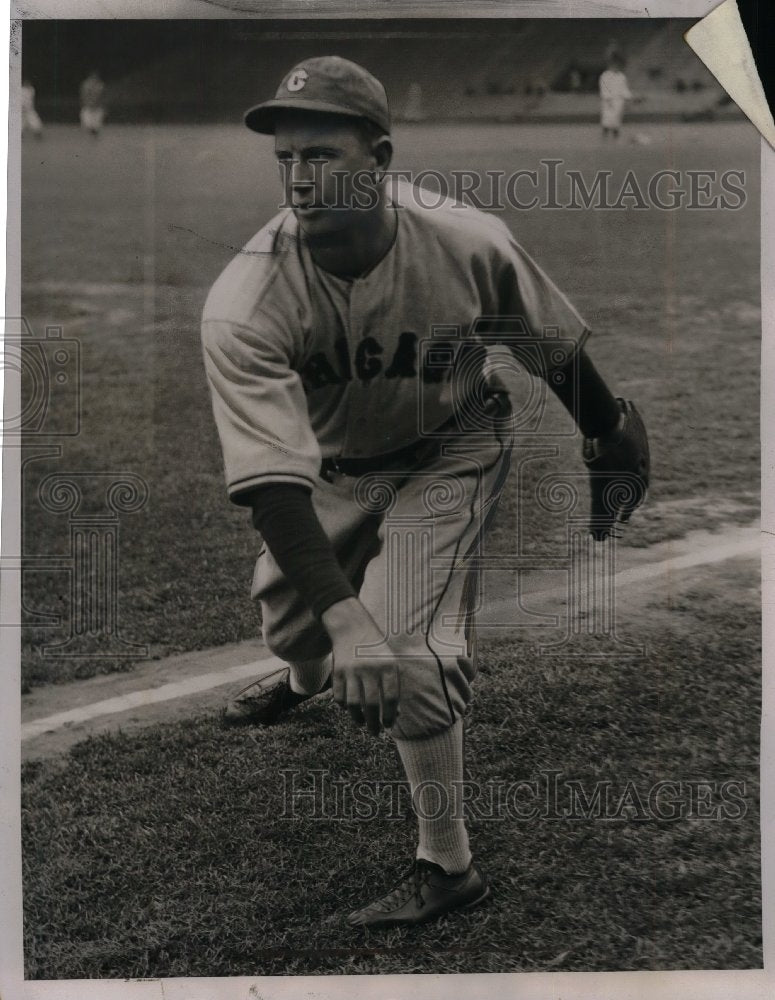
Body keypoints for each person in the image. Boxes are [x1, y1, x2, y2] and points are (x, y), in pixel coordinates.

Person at [201, 56, 649, 929]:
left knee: (403, 646)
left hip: (454, 447)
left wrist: (606, 432)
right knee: (296, 619)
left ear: (379, 156)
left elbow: (547, 347)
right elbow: (271, 486)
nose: (299, 177)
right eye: (286, 158)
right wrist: (340, 621)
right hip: (334, 469)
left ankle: (446, 869)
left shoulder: (463, 240)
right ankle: (301, 677)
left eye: (322, 154)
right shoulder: (245, 298)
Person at [599, 52, 633, 139]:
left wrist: (628, 98)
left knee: (617, 117)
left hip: (619, 100)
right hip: (608, 100)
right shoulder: (605, 76)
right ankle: (605, 133)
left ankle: (616, 134)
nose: (617, 67)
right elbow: (604, 88)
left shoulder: (621, 76)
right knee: (607, 116)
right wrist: (608, 99)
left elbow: (624, 88)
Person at [79, 70, 105, 136]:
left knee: (96, 125)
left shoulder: (100, 85)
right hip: (88, 106)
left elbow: (102, 96)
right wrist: (86, 102)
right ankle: (91, 135)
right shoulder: (86, 84)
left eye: (95, 77)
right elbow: (83, 95)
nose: (94, 78)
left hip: (97, 107)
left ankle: (94, 135)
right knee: (87, 125)